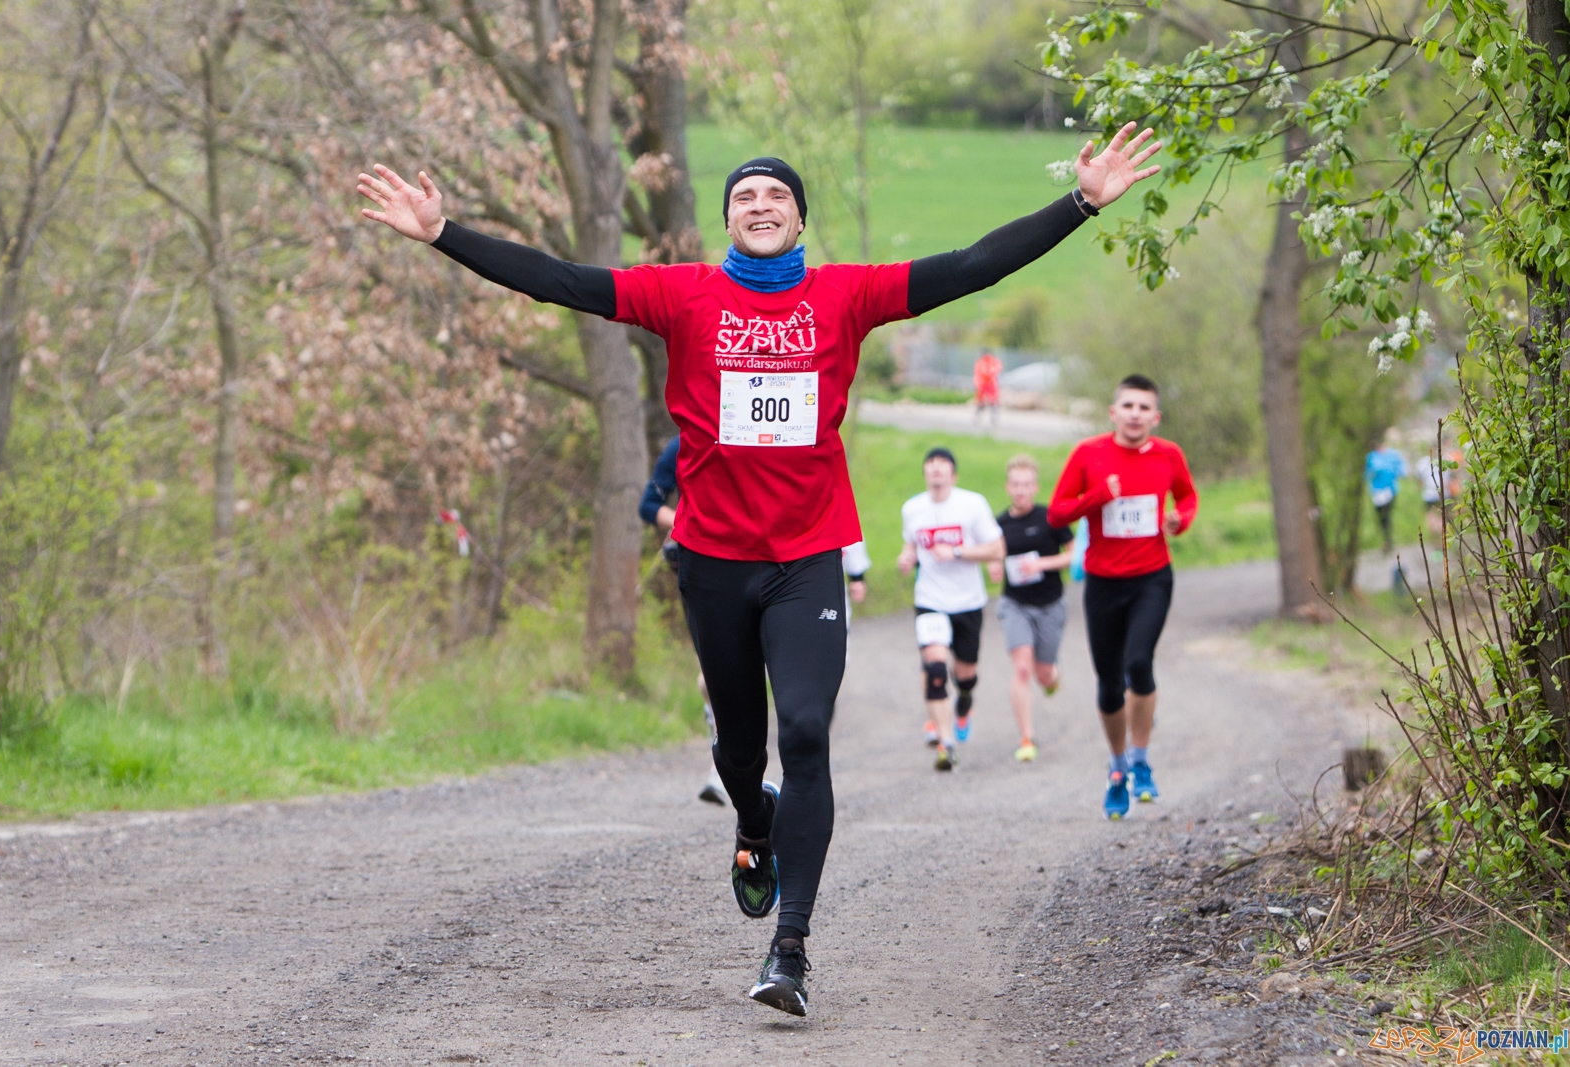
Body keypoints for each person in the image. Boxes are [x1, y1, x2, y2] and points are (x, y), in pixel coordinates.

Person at [357, 122, 1162, 1017]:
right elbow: (562, 281)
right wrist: (444, 235)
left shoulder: (845, 296)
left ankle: (791, 951)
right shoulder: (681, 295)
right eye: (745, 196)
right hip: (711, 558)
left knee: (808, 730)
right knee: (742, 750)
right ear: (728, 222)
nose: (761, 204)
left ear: (800, 218)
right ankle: (752, 820)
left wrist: (1082, 202)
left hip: (808, 557)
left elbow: (973, 263)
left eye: (777, 194)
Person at [1048, 374, 1197, 820]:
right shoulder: (1088, 454)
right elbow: (1057, 513)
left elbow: (1187, 497)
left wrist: (1179, 520)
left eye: (1143, 407)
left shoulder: (1170, 455)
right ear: (1114, 412)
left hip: (1152, 577)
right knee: (1110, 682)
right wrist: (1098, 496)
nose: (1135, 414)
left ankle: (1141, 759)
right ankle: (1117, 768)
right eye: (1127, 406)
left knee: (1139, 663)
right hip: (1102, 582)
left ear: (1155, 416)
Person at [898, 448, 1005, 770]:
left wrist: (957, 551)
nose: (936, 470)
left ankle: (964, 703)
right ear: (925, 473)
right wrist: (907, 557)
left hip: (967, 601)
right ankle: (946, 742)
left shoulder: (971, 504)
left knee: (965, 674)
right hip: (930, 599)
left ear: (953, 475)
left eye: (943, 465)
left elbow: (997, 548)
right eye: (930, 465)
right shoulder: (913, 508)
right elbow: (911, 544)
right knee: (934, 669)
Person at [640, 435, 731, 806]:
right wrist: (687, 522)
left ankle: (736, 759)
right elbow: (649, 505)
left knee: (733, 674)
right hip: (698, 568)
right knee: (712, 676)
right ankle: (723, 762)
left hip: (753, 565)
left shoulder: (753, 438)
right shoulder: (682, 446)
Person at [985, 454, 1072, 763]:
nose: (1020, 490)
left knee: (1043, 674)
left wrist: (1042, 563)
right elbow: (994, 554)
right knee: (1022, 667)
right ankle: (1026, 738)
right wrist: (995, 567)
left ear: (1035, 487)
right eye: (1015, 485)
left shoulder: (1051, 518)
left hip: (1050, 603)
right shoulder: (999, 524)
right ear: (1008, 487)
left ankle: (1051, 676)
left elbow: (1075, 556)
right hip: (1015, 604)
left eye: (1026, 485)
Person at [1365, 436, 1407, 553]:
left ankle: (1388, 541)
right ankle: (1386, 539)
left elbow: (1401, 469)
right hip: (1377, 491)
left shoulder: (1393, 455)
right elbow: (1367, 474)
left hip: (1390, 490)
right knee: (1381, 517)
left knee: (1387, 514)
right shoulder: (1371, 457)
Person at [1415, 447, 1443, 536]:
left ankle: (1436, 533)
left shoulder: (1423, 462)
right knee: (1435, 514)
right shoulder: (1442, 460)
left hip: (1434, 493)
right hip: (1433, 493)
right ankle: (1437, 533)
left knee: (1433, 514)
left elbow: (1419, 478)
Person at [973, 350, 1003, 425]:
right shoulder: (993, 361)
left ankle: (979, 415)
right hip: (989, 383)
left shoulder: (981, 362)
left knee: (982, 401)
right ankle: (992, 416)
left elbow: (978, 373)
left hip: (984, 383)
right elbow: (998, 370)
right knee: (991, 401)